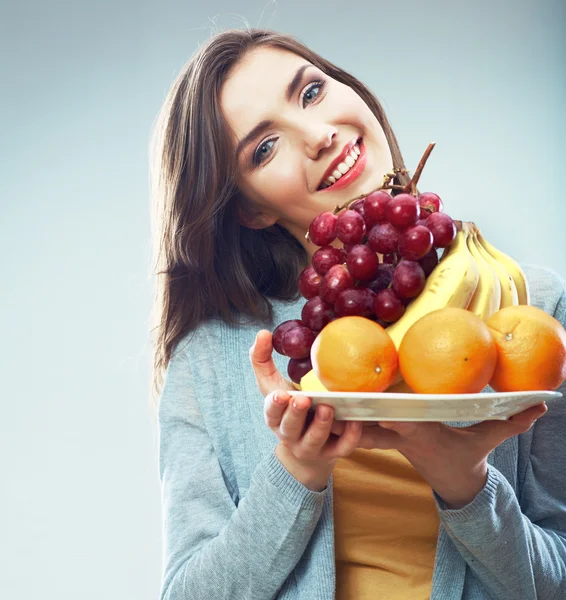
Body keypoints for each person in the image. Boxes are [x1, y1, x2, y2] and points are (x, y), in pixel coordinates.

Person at [149, 28, 566, 600]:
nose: (317, 135)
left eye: (312, 92)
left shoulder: (533, 313)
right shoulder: (211, 360)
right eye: (264, 148)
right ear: (249, 209)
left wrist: (466, 485)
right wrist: (296, 471)